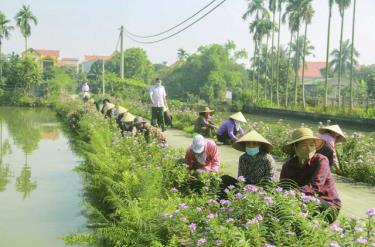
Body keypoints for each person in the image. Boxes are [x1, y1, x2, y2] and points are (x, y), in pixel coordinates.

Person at [279, 127, 341, 223]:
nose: (309, 148)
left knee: (302, 204)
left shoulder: (321, 160)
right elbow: (283, 187)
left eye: (312, 145)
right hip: (299, 200)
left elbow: (314, 187)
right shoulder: (288, 165)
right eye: (304, 145)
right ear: (295, 147)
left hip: (327, 205)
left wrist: (293, 194)